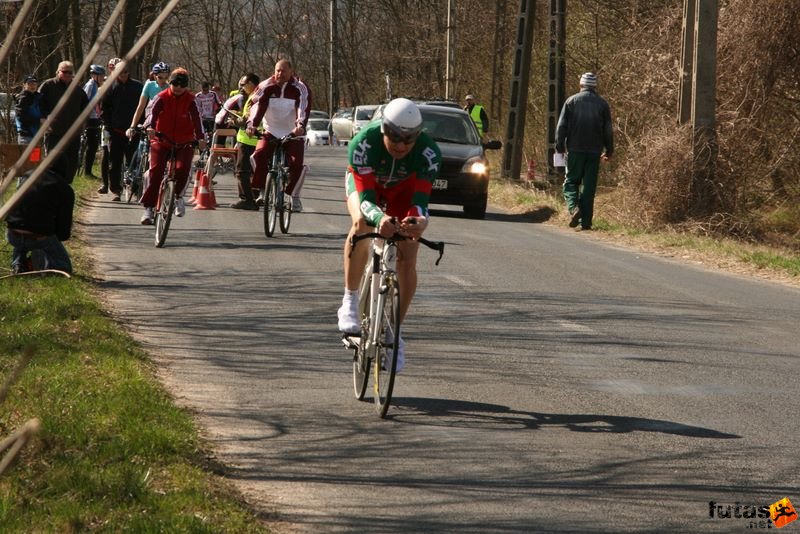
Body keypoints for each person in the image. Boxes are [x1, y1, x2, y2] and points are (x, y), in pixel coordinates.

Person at [336, 98, 442, 372]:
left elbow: (420, 200)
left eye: (408, 140)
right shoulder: (363, 143)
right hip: (369, 189)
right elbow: (367, 199)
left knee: (409, 249)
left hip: (402, 193)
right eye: (394, 137)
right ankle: (349, 300)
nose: (401, 145)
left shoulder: (428, 153)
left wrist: (418, 221)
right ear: (384, 129)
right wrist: (380, 218)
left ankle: (395, 330)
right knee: (361, 223)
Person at [139, 68, 206, 225]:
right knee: (155, 171)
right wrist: (150, 127)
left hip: (185, 142)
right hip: (161, 139)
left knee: (183, 168)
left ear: (186, 87)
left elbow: (198, 120)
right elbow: (151, 113)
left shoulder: (191, 100)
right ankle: (148, 208)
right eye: (175, 84)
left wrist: (201, 138)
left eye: (182, 86)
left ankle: (178, 197)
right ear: (170, 83)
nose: (178, 88)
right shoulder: (161, 97)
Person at [246, 59, 311, 213]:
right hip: (271, 131)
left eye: (283, 71)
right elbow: (256, 105)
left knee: (297, 164)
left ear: (291, 72)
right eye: (277, 70)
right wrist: (252, 124)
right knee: (258, 155)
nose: (280, 74)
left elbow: (303, 107)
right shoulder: (266, 86)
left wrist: (300, 125)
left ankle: (294, 196)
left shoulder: (300, 88)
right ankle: (263, 190)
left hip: (293, 133)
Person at [555, 72, 614, 231]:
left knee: (571, 182)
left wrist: (560, 146)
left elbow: (561, 126)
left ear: (581, 85)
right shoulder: (602, 104)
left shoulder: (571, 101)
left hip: (575, 149)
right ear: (594, 86)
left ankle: (574, 208)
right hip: (595, 151)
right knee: (589, 186)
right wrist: (609, 150)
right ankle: (586, 222)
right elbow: (608, 130)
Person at [5, 169, 75, 275]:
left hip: (13, 234)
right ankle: (43, 264)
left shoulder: (27, 176)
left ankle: (18, 263)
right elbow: (63, 234)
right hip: (38, 238)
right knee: (64, 267)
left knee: (24, 227)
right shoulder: (65, 189)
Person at [38, 60, 89, 183]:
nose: (67, 74)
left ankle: (67, 188)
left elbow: (86, 108)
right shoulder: (48, 86)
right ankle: (51, 186)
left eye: (70, 72)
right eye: (64, 72)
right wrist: (44, 120)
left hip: (73, 134)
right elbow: (39, 105)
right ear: (58, 72)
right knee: (52, 161)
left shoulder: (77, 90)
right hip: (54, 132)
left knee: (71, 162)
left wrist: (83, 124)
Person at [216, 73, 260, 209]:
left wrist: (234, 120)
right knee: (254, 171)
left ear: (252, 84)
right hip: (256, 139)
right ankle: (256, 196)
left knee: (242, 171)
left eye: (244, 84)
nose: (242, 87)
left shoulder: (254, 97)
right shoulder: (259, 95)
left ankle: (247, 199)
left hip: (248, 140)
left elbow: (246, 118)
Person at [101, 63, 143, 201]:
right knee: (115, 162)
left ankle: (135, 189)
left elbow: (144, 106)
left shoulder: (138, 87)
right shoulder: (110, 87)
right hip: (116, 130)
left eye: (125, 72)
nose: (123, 75)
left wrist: (141, 124)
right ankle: (115, 190)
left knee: (135, 161)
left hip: (134, 130)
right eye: (120, 72)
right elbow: (104, 108)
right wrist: (108, 125)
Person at [98, 58, 122, 194]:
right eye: (112, 67)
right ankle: (105, 184)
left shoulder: (125, 84)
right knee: (106, 153)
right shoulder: (106, 85)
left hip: (121, 125)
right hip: (107, 125)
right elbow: (99, 106)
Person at [128, 61, 170, 131]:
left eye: (166, 77)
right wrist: (132, 126)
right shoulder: (149, 85)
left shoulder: (170, 87)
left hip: (166, 120)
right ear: (154, 76)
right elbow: (141, 107)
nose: (163, 80)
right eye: (160, 77)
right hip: (151, 118)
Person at [81, 64, 106, 178]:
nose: (102, 77)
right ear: (94, 75)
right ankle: (87, 171)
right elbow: (85, 101)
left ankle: (88, 170)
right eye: (100, 75)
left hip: (95, 117)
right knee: (92, 145)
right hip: (89, 119)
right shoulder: (90, 85)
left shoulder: (96, 86)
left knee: (94, 145)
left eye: (102, 75)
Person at [14, 75, 42, 144]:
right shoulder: (22, 98)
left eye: (34, 84)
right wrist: (39, 120)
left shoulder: (39, 97)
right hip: (26, 134)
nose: (32, 86)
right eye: (30, 84)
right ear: (24, 85)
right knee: (26, 154)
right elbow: (21, 116)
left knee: (35, 154)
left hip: (36, 134)